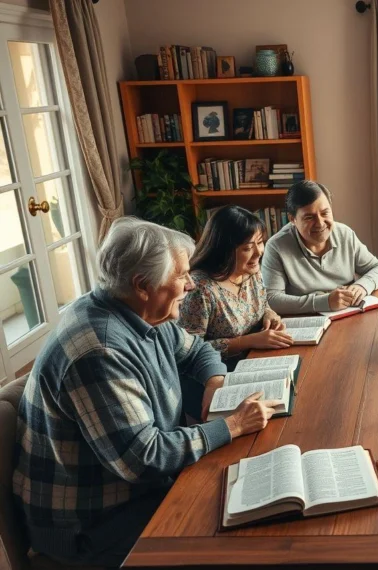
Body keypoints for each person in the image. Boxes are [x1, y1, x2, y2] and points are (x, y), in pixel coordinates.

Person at [12, 218, 281, 567]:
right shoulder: (101, 351)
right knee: (242, 536)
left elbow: (198, 350)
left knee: (246, 498)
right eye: (182, 276)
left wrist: (214, 383)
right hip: (90, 525)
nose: (190, 285)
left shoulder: (141, 313)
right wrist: (232, 425)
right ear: (142, 285)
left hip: (135, 492)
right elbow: (144, 458)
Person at [179, 205, 293, 368]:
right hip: (222, 371)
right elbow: (190, 350)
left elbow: (262, 305)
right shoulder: (200, 289)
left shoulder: (252, 271)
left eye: (260, 242)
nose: (258, 252)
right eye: (248, 248)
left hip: (260, 358)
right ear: (224, 250)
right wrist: (247, 341)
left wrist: (270, 315)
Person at [262, 180, 378, 314]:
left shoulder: (344, 234)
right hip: (306, 318)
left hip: (347, 313)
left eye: (325, 213)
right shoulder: (276, 247)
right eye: (309, 217)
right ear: (292, 219)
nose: (320, 224)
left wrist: (362, 286)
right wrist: (324, 302)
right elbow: (272, 299)